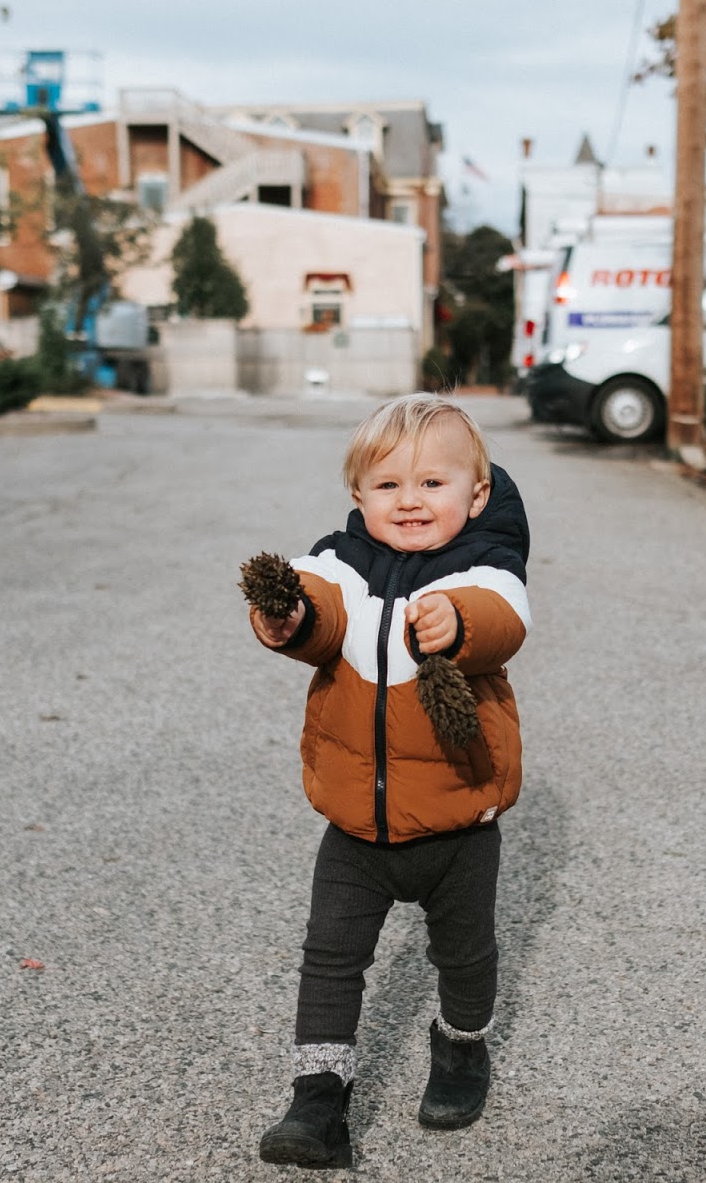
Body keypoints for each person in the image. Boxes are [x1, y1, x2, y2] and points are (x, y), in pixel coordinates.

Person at [249, 392, 531, 1169]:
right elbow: (319, 608)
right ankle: (317, 1097)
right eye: (387, 485)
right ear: (357, 494)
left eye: (432, 483)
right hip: (354, 824)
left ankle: (461, 1046)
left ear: (475, 493)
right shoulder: (339, 562)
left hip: (455, 821)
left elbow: (504, 618)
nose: (409, 500)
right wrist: (288, 616)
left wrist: (459, 621)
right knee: (329, 956)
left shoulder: (486, 565)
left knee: (464, 956)